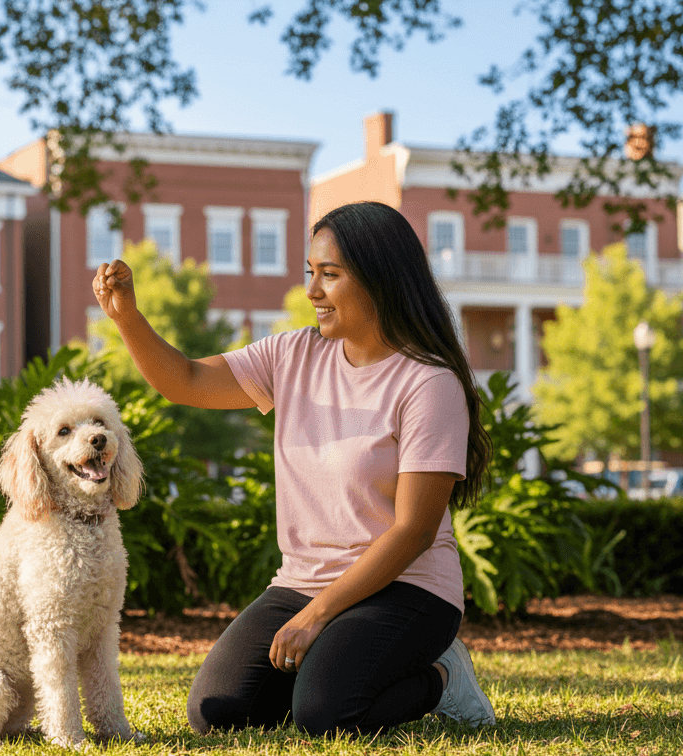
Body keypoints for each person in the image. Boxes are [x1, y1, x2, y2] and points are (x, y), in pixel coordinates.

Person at [91, 200, 496, 736]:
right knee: (217, 712)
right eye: (311, 272)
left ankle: (445, 676)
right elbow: (185, 380)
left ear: (381, 279)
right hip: (303, 581)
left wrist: (316, 616)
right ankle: (335, 665)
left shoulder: (428, 383)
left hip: (408, 587)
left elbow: (414, 531)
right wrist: (127, 317)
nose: (312, 290)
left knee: (326, 715)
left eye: (330, 274)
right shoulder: (294, 355)